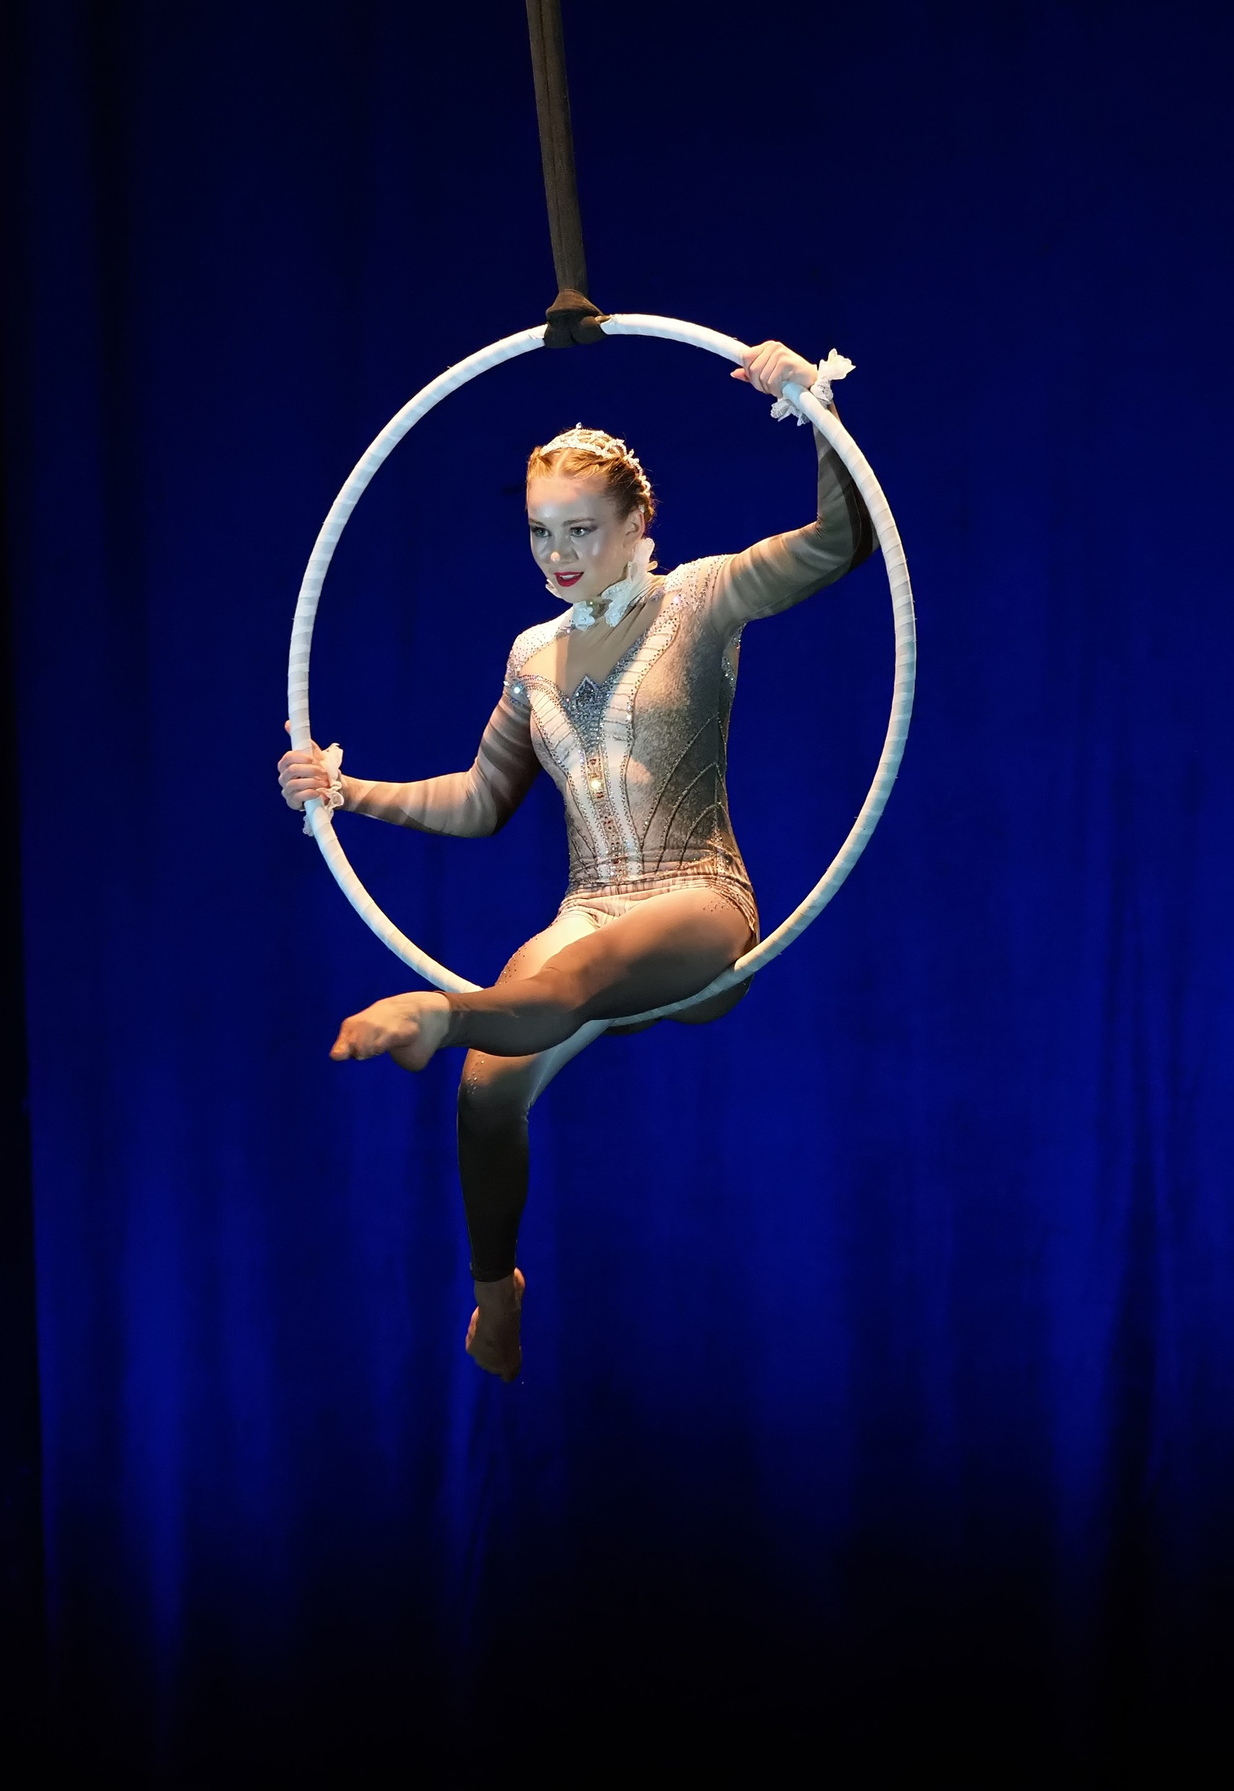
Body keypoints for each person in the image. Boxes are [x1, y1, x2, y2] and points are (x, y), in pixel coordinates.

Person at [276, 340, 877, 1381]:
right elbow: (480, 801)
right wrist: (345, 791)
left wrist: (811, 409)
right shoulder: (532, 654)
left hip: (697, 901)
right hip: (590, 903)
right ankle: (495, 1295)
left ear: (637, 524)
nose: (557, 555)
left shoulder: (702, 597)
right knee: (486, 1093)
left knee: (572, 977)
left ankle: (436, 1013)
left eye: (581, 530)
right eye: (540, 532)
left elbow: (840, 542)